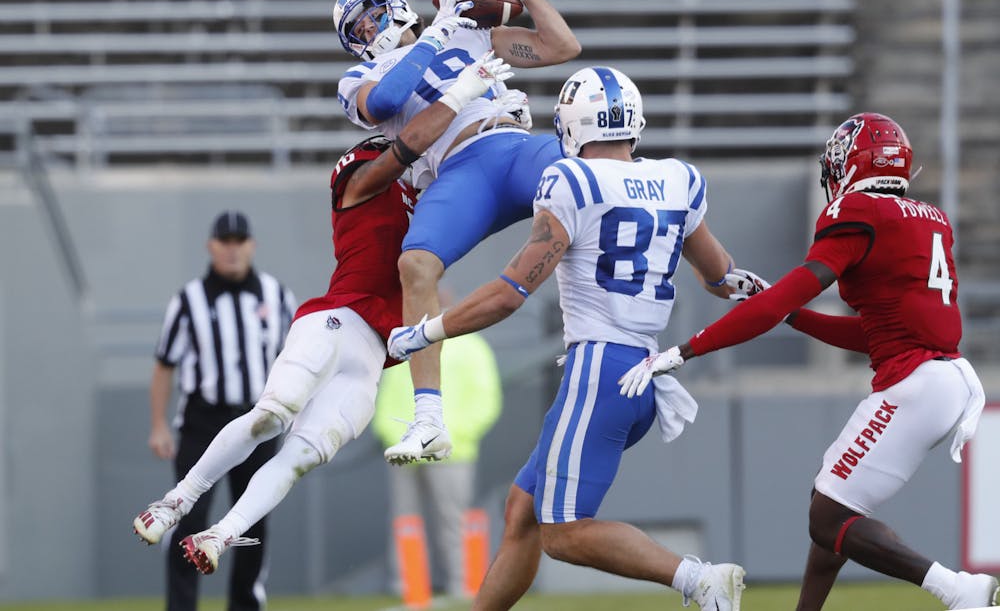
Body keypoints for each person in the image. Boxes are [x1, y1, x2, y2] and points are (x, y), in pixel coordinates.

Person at [132, 53, 515, 580]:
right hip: (336, 319)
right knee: (274, 414)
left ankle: (220, 534)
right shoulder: (360, 172)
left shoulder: (433, 196)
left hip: (375, 359)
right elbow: (408, 146)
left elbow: (466, 186)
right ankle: (176, 502)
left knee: (299, 458)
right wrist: (461, 91)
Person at [387, 67, 749, 611]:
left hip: (600, 369)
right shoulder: (679, 179)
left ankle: (697, 579)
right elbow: (722, 276)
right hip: (642, 371)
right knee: (523, 511)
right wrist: (769, 295)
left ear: (572, 126)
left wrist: (425, 331)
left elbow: (510, 292)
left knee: (564, 532)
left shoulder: (572, 180)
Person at [618, 113, 997, 611]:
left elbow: (779, 301)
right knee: (832, 505)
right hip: (944, 377)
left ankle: (957, 590)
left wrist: (685, 349)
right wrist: (792, 315)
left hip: (916, 384)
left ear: (851, 163)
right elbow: (874, 332)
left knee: (828, 517)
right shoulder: (928, 219)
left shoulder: (857, 212)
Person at [333, 0, 581, 464]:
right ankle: (428, 420)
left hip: (511, 144)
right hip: (458, 170)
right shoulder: (360, 76)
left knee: (595, 176)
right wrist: (434, 36)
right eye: (356, 30)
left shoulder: (468, 33)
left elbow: (562, 47)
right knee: (415, 266)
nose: (368, 31)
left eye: (371, 16)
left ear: (395, 6)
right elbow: (384, 101)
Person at [143, 210, 297, 611]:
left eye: (239, 241)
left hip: (259, 420)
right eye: (225, 242)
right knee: (188, 519)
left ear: (252, 246)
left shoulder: (276, 295)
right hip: (203, 420)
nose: (232, 250)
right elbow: (164, 364)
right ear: (212, 247)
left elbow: (294, 358)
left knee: (252, 521)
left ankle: (245, 604)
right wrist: (158, 424)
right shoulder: (189, 300)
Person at [373, 290, 502, 599]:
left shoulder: (471, 346)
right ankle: (411, 592)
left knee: (453, 521)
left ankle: (464, 588)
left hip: (452, 449)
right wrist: (394, 437)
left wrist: (456, 434)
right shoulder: (405, 344)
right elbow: (387, 395)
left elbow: (486, 399)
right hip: (405, 448)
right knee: (406, 522)